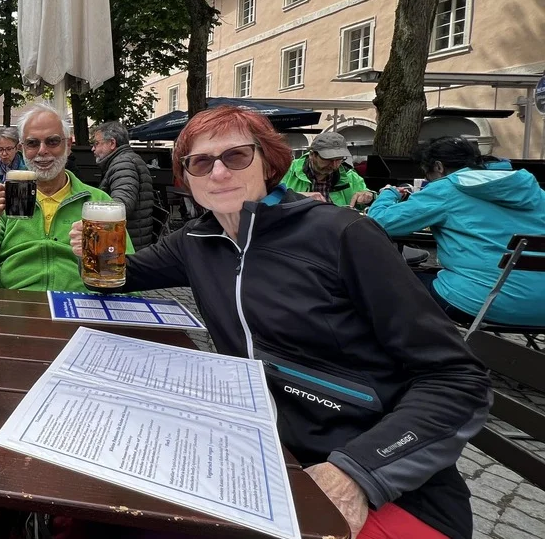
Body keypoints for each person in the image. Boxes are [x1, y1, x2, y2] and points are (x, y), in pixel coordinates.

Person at [65, 106, 490, 539]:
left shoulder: (340, 235)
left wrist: (357, 473)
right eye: (200, 162)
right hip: (258, 455)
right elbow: (122, 279)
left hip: (380, 481)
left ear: (268, 162)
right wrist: (93, 256)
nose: (218, 173)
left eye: (235, 156)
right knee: (97, 507)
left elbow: (457, 379)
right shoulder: (198, 240)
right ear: (186, 177)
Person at [368, 136, 545, 327]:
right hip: (541, 307)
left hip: (483, 303)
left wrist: (388, 194)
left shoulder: (447, 188)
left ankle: (413, 349)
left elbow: (379, 222)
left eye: (427, 176)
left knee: (385, 282)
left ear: (438, 167)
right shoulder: (533, 190)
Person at [0, 104, 130, 291]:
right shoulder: (6, 201)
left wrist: (98, 254)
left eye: (52, 142)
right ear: (22, 149)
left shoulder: (99, 202)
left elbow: (130, 280)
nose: (42, 151)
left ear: (68, 146)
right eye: (32, 143)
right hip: (16, 307)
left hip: (80, 306)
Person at [91, 121, 155, 250]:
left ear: (112, 143)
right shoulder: (128, 160)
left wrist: (92, 213)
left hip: (128, 242)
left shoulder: (123, 164)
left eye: (97, 143)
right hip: (136, 237)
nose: (93, 149)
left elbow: (121, 205)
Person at [281, 131, 373, 208]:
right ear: (312, 155)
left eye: (338, 159)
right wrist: (297, 197)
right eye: (327, 159)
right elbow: (269, 200)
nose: (333, 165)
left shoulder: (348, 175)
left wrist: (369, 197)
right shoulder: (286, 170)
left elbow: (371, 201)